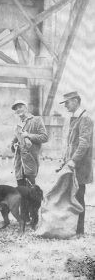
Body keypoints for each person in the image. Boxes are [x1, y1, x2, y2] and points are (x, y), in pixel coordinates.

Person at [60, 91, 93, 235]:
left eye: (67, 102)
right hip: (72, 164)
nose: (65, 106)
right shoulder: (74, 118)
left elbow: (83, 144)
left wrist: (73, 160)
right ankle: (72, 227)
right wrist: (64, 160)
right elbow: (70, 144)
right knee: (71, 196)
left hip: (80, 166)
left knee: (79, 196)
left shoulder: (85, 118)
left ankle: (79, 230)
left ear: (75, 101)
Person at [11, 100, 48, 186]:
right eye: (16, 109)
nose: (18, 110)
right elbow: (14, 142)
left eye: (20, 107)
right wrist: (14, 145)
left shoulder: (36, 120)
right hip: (19, 164)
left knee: (31, 190)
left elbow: (44, 137)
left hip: (31, 161)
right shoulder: (18, 126)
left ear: (27, 108)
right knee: (20, 190)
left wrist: (29, 135)